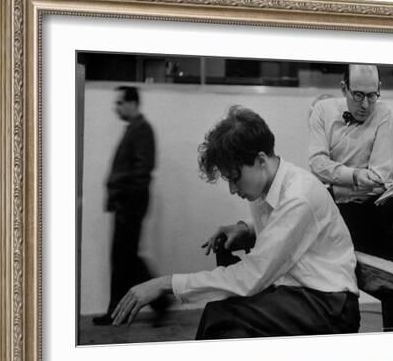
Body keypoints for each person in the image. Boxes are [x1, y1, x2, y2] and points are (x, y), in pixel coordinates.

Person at [111, 106, 360, 340]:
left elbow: (252, 277)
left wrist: (166, 284)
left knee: (221, 317)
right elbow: (290, 234)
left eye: (235, 178)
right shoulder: (271, 186)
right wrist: (248, 231)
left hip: (329, 305)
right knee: (221, 312)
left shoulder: (298, 195)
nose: (232, 189)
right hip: (299, 290)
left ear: (261, 160)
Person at [308, 64, 393, 254]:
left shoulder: (386, 114)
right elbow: (317, 163)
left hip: (366, 216)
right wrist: (356, 175)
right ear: (344, 89)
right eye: (358, 95)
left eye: (372, 96)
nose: (365, 105)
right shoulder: (322, 110)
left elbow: (378, 182)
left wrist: (332, 190)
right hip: (325, 212)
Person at [93, 86, 164, 325]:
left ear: (133, 103)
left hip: (130, 206)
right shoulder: (134, 129)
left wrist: (126, 203)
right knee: (124, 259)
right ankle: (120, 310)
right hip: (126, 205)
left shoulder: (142, 130)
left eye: (120, 103)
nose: (117, 107)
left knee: (127, 259)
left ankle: (160, 301)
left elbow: (142, 171)